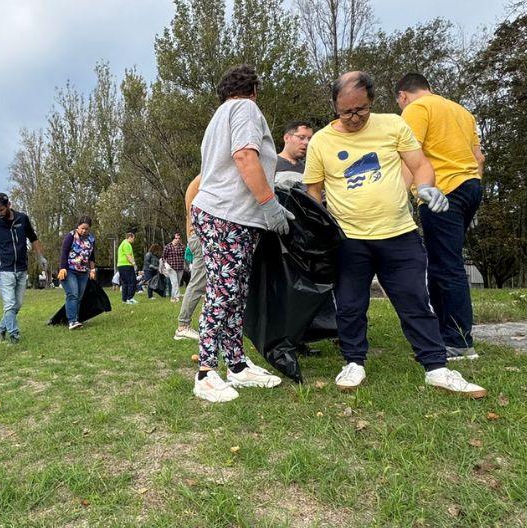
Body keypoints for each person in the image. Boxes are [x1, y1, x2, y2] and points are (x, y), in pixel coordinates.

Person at [303, 71, 485, 398]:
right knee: (350, 305)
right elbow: (313, 191)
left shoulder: (393, 125)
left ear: (372, 101)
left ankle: (436, 367)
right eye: (346, 112)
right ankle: (354, 362)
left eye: (360, 109)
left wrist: (427, 187)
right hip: (349, 239)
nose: (354, 117)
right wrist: (318, 229)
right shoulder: (321, 141)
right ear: (335, 107)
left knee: (415, 300)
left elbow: (421, 164)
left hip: (399, 233)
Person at [189, 64, 293, 402]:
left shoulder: (219, 116)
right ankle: (205, 372)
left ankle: (236, 365)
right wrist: (269, 203)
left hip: (226, 214)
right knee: (223, 292)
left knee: (235, 292)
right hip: (226, 214)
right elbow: (245, 156)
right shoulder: (245, 108)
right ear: (254, 90)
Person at [396, 72, 485, 361]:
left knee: (447, 265)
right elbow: (479, 157)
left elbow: (411, 156)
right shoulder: (461, 111)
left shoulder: (416, 109)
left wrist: (400, 198)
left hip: (441, 190)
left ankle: (459, 341)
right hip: (470, 186)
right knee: (442, 261)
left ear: (403, 95)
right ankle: (444, 332)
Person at [0, 192, 47, 343]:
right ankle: (14, 336)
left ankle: (0, 330)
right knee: (9, 304)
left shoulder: (22, 219)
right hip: (4, 269)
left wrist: (40, 257)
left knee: (17, 304)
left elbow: (33, 238)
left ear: (9, 205)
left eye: (1, 209)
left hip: (21, 268)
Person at [175, 177, 208, 341]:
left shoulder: (200, 180)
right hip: (200, 236)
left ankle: (207, 323)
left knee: (209, 282)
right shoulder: (203, 180)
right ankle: (183, 326)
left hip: (198, 236)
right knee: (198, 281)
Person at [57, 216, 98, 329]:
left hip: (83, 272)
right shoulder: (71, 236)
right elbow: (64, 252)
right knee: (73, 294)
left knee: (79, 296)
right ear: (78, 226)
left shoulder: (91, 239)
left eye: (86, 229)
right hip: (69, 270)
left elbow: (92, 256)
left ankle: (76, 319)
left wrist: (92, 270)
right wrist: (62, 268)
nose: (84, 231)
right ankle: (72, 321)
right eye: (82, 228)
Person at [161, 233, 185, 302]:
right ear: (173, 239)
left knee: (177, 283)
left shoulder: (182, 246)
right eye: (176, 238)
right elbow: (163, 257)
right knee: (174, 283)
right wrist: (165, 264)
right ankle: (177, 297)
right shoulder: (167, 247)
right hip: (171, 267)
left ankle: (173, 297)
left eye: (179, 238)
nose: (178, 240)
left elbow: (185, 256)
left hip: (180, 267)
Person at [116, 232, 138, 304]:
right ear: (130, 237)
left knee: (124, 283)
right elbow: (128, 255)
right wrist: (134, 264)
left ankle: (124, 299)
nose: (133, 240)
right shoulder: (127, 244)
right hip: (127, 265)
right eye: (133, 238)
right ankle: (130, 298)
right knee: (132, 282)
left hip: (121, 265)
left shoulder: (122, 244)